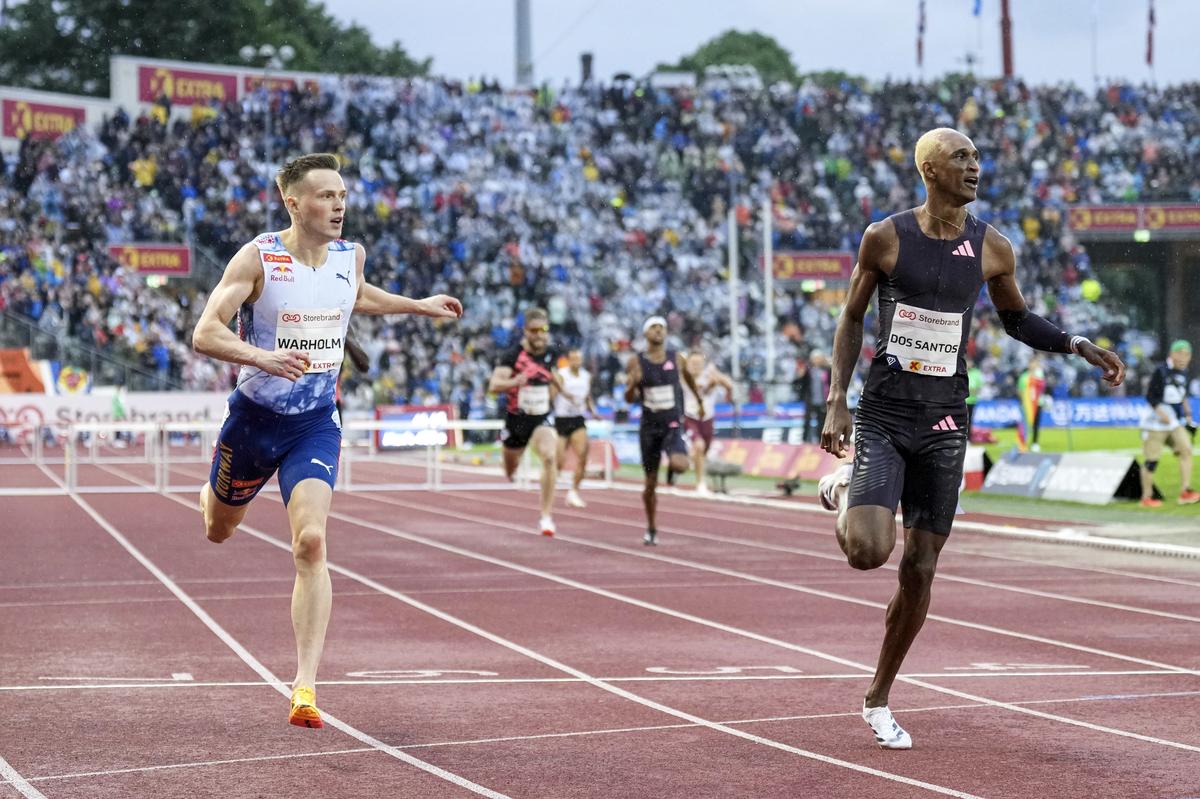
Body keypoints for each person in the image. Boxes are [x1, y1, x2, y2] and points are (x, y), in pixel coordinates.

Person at [815, 128, 1125, 750]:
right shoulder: (886, 238)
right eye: (960, 158)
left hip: (945, 421)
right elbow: (851, 318)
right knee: (867, 553)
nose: (974, 167)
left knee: (920, 568)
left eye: (978, 157)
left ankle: (879, 696)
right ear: (929, 170)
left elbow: (1016, 318)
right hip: (883, 414)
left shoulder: (992, 247)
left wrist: (1077, 345)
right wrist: (836, 401)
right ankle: (845, 487)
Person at [193, 153, 463, 728]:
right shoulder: (259, 257)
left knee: (310, 542)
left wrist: (417, 305)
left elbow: (355, 295)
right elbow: (205, 332)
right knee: (218, 530)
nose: (339, 205)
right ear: (294, 202)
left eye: (342, 195)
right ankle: (215, 490)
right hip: (253, 419)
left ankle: (305, 687)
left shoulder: (350, 256)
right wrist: (262, 356)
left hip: (314, 422)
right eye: (325, 196)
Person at [488, 308, 569, 536]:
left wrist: (554, 390)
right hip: (516, 419)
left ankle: (546, 516)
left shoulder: (554, 353)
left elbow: (560, 379)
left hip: (541, 418)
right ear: (526, 331)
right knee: (510, 469)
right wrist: (516, 381)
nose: (539, 335)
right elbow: (494, 385)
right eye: (534, 330)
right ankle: (513, 461)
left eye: (543, 330)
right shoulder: (512, 355)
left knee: (550, 456)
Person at [626, 316, 703, 545]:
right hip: (649, 427)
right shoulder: (636, 362)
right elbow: (628, 398)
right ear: (645, 334)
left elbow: (688, 378)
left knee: (681, 464)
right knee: (650, 485)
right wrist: (632, 385)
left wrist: (697, 400)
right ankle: (651, 528)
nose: (659, 331)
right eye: (654, 328)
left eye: (662, 328)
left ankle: (672, 466)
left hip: (671, 423)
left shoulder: (676, 358)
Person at [1139, 339, 1199, 507]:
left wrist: (1188, 416)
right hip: (1155, 424)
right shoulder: (1160, 371)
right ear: (1172, 354)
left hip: (1174, 422)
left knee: (1186, 450)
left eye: (1187, 354)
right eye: (1180, 353)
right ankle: (1146, 497)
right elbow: (1151, 398)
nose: (1184, 358)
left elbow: (1182, 396)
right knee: (1152, 461)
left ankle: (1185, 491)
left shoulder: (1184, 372)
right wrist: (1164, 417)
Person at [682, 349, 734, 495]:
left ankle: (692, 459)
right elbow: (697, 388)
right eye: (693, 363)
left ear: (703, 364)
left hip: (708, 419)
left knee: (703, 452)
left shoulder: (710, 374)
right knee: (699, 446)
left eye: (699, 363)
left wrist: (722, 385)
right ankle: (700, 484)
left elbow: (728, 384)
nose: (695, 366)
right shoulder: (684, 377)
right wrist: (709, 385)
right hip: (690, 417)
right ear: (688, 364)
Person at [554, 348, 597, 508]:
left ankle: (573, 492)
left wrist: (593, 411)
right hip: (562, 419)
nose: (576, 362)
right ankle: (550, 487)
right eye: (573, 359)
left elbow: (588, 396)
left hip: (578, 419)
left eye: (578, 359)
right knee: (559, 460)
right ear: (569, 360)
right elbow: (553, 393)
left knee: (583, 456)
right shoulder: (561, 375)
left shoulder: (587, 376)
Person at [797, 350, 831, 444]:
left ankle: (821, 440)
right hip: (811, 399)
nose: (817, 360)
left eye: (818, 358)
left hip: (823, 399)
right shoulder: (808, 370)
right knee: (807, 420)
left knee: (821, 421)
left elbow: (830, 383)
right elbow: (801, 382)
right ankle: (804, 440)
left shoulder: (827, 370)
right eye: (815, 358)